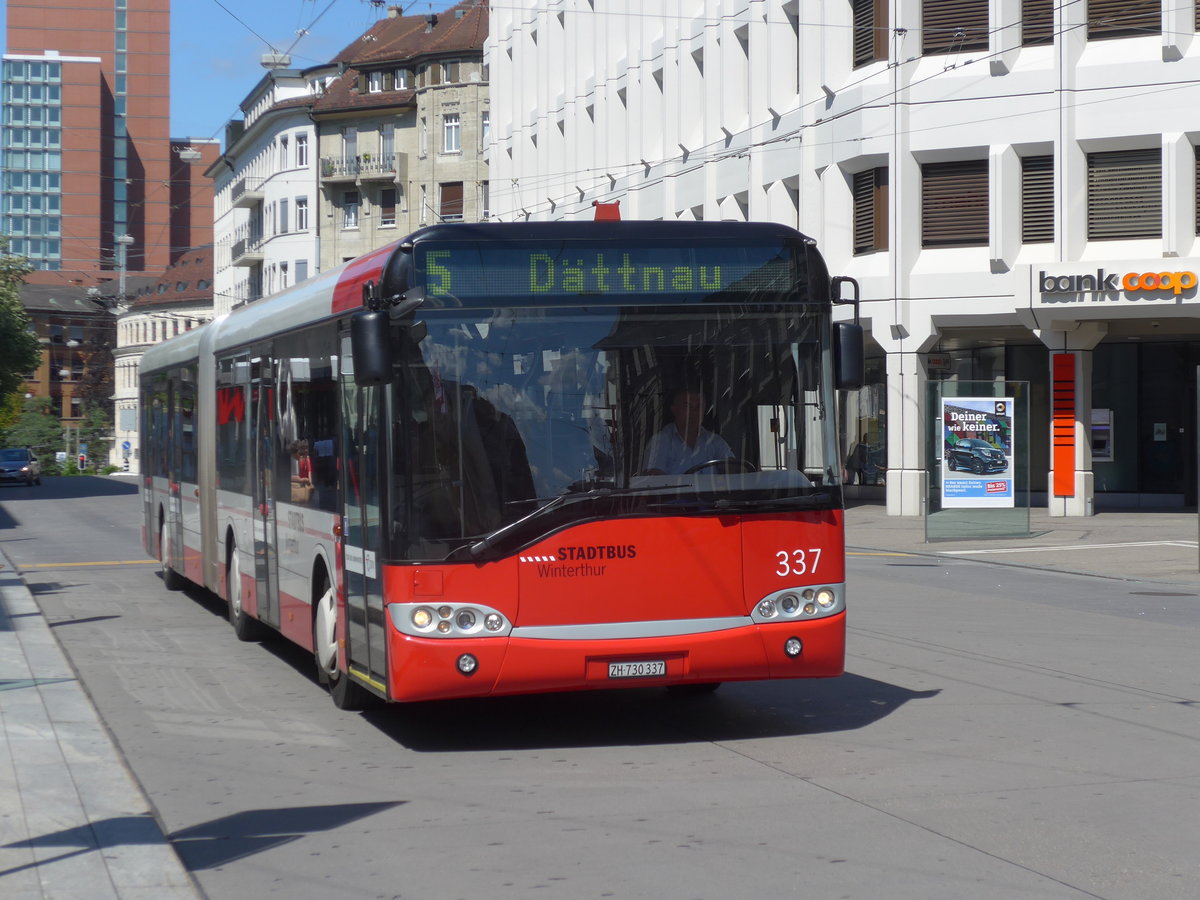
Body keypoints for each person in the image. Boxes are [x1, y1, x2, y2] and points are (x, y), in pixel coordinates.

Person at [642, 387, 733, 475]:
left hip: (713, 491)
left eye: (698, 406)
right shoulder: (659, 443)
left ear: (704, 410)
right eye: (687, 406)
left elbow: (736, 470)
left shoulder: (715, 441)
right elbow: (654, 483)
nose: (693, 412)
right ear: (674, 409)